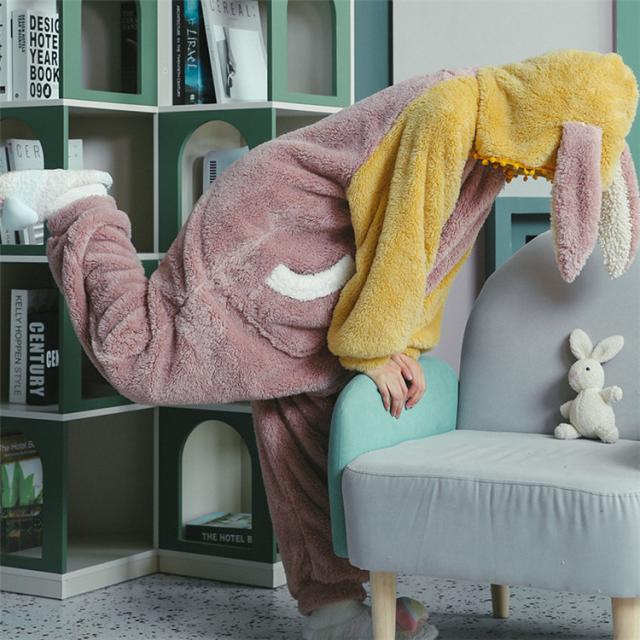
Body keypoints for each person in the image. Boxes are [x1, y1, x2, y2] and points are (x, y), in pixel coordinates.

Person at [1, 48, 637, 640]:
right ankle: (81, 206)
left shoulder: (489, 149)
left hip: (323, 247)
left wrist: (406, 346)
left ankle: (334, 607)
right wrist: (373, 347)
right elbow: (404, 238)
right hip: (273, 224)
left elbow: (436, 258)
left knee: (306, 406)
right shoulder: (450, 111)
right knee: (147, 359)